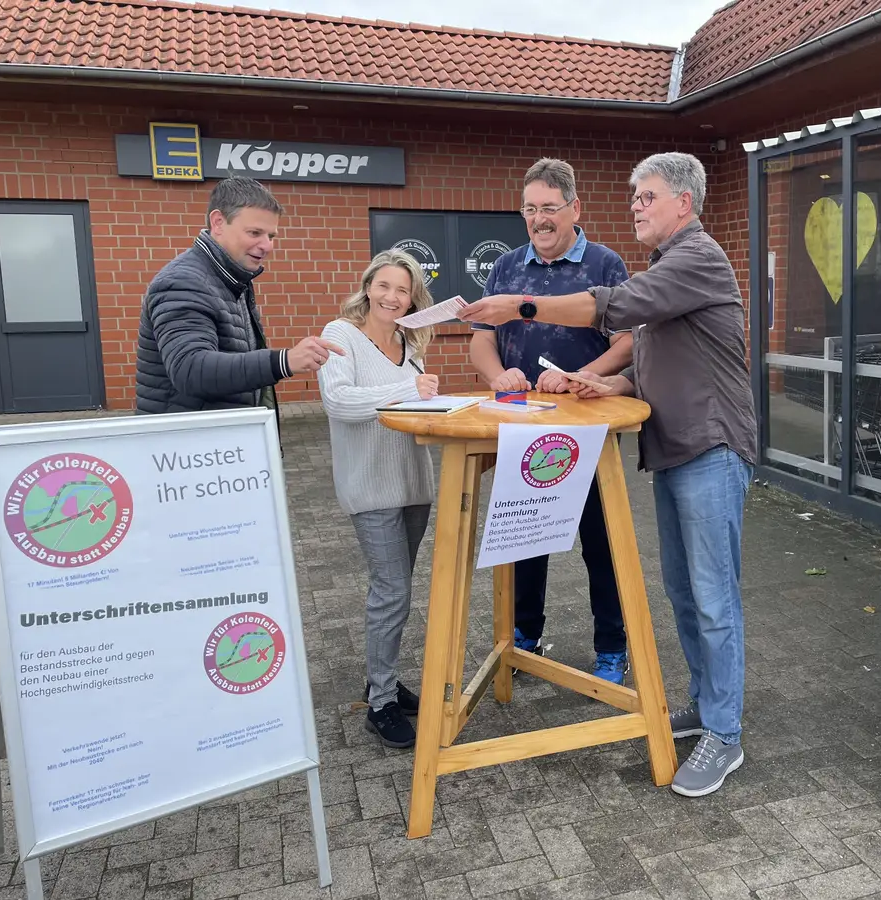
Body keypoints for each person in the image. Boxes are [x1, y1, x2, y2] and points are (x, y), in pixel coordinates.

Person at [456, 152, 756, 798]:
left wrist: (522, 306)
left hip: (711, 447)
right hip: (676, 449)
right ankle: (706, 710)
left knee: (713, 598)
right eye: (634, 196)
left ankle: (725, 735)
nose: (636, 206)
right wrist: (602, 382)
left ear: (684, 202)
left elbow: (615, 306)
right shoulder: (669, 267)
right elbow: (651, 366)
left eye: (646, 196)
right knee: (683, 592)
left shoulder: (696, 257)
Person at [470, 158, 634, 684]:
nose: (539, 219)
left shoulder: (606, 266)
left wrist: (581, 374)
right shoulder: (507, 267)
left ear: (574, 209)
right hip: (525, 428)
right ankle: (523, 639)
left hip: (587, 429)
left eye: (549, 209)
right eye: (530, 209)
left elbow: (630, 340)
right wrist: (497, 374)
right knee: (525, 539)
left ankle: (612, 647)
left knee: (600, 544)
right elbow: (480, 339)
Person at [318, 249, 442, 749]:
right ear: (368, 286)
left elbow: (408, 406)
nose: (393, 297)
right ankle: (381, 703)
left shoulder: (410, 343)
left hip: (413, 483)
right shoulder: (340, 334)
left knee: (398, 589)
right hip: (370, 487)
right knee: (391, 591)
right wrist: (406, 388)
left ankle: (380, 678)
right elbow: (338, 402)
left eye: (403, 289)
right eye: (384, 286)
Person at [136, 176, 344, 414]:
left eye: (271, 236)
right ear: (218, 223)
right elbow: (189, 369)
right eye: (255, 232)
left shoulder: (232, 277)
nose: (267, 246)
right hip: (187, 446)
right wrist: (284, 361)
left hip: (221, 443)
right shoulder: (184, 282)